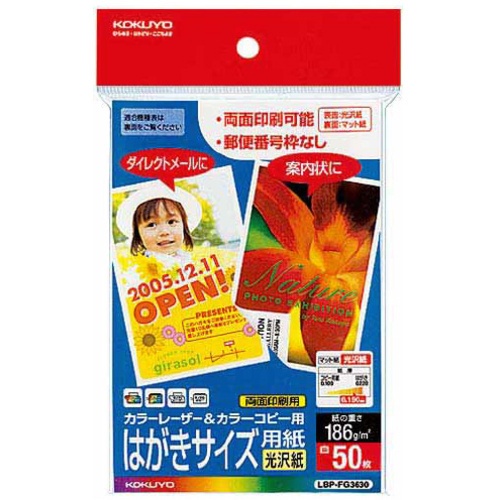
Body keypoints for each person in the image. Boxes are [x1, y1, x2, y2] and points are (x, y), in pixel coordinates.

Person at [116, 182, 202, 268]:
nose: (164, 232)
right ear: (138, 234)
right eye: (151, 225)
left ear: (184, 226)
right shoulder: (137, 271)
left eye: (171, 222)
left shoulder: (191, 263)